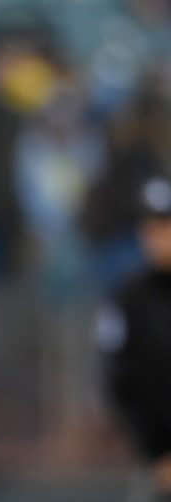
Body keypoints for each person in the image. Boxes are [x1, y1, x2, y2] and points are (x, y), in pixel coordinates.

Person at [95, 176, 171, 502]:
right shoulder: (128, 300)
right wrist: (156, 455)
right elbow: (119, 384)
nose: (159, 237)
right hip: (155, 464)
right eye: (152, 228)